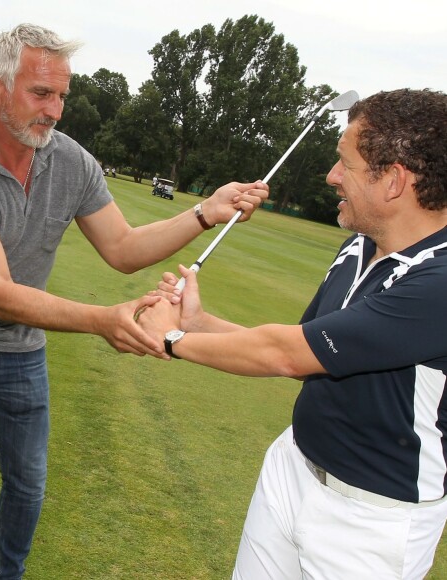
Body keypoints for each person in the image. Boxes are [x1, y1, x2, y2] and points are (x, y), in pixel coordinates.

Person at [0, 23, 268, 579]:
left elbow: (124, 249)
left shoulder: (71, 161)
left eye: (61, 96)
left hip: (19, 355)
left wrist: (205, 212)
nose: (54, 110)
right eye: (41, 93)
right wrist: (103, 319)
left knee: (27, 485)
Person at [137, 88, 447, 579]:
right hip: (292, 467)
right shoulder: (356, 248)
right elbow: (312, 351)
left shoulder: (440, 280)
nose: (332, 177)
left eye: (345, 163)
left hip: (375, 517)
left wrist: (175, 341)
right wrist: (198, 323)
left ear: (393, 180)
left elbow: (287, 355)